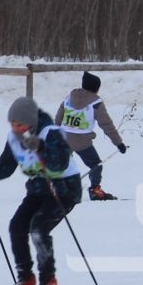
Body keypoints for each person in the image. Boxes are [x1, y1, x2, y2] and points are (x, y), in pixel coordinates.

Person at [0, 95, 82, 285]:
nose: (16, 128)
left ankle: (49, 282)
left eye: (19, 123)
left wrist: (41, 147)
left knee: (39, 228)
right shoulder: (14, 138)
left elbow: (59, 164)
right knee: (16, 226)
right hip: (38, 190)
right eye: (12, 123)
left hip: (63, 190)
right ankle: (26, 279)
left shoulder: (51, 133)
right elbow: (3, 169)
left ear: (31, 121)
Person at [57, 71, 127, 199]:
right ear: (95, 87)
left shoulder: (69, 97)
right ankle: (95, 190)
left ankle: (55, 188)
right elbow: (106, 124)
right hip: (82, 142)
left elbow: (58, 117)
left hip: (64, 138)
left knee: (62, 164)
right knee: (95, 165)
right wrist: (118, 143)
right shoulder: (96, 103)